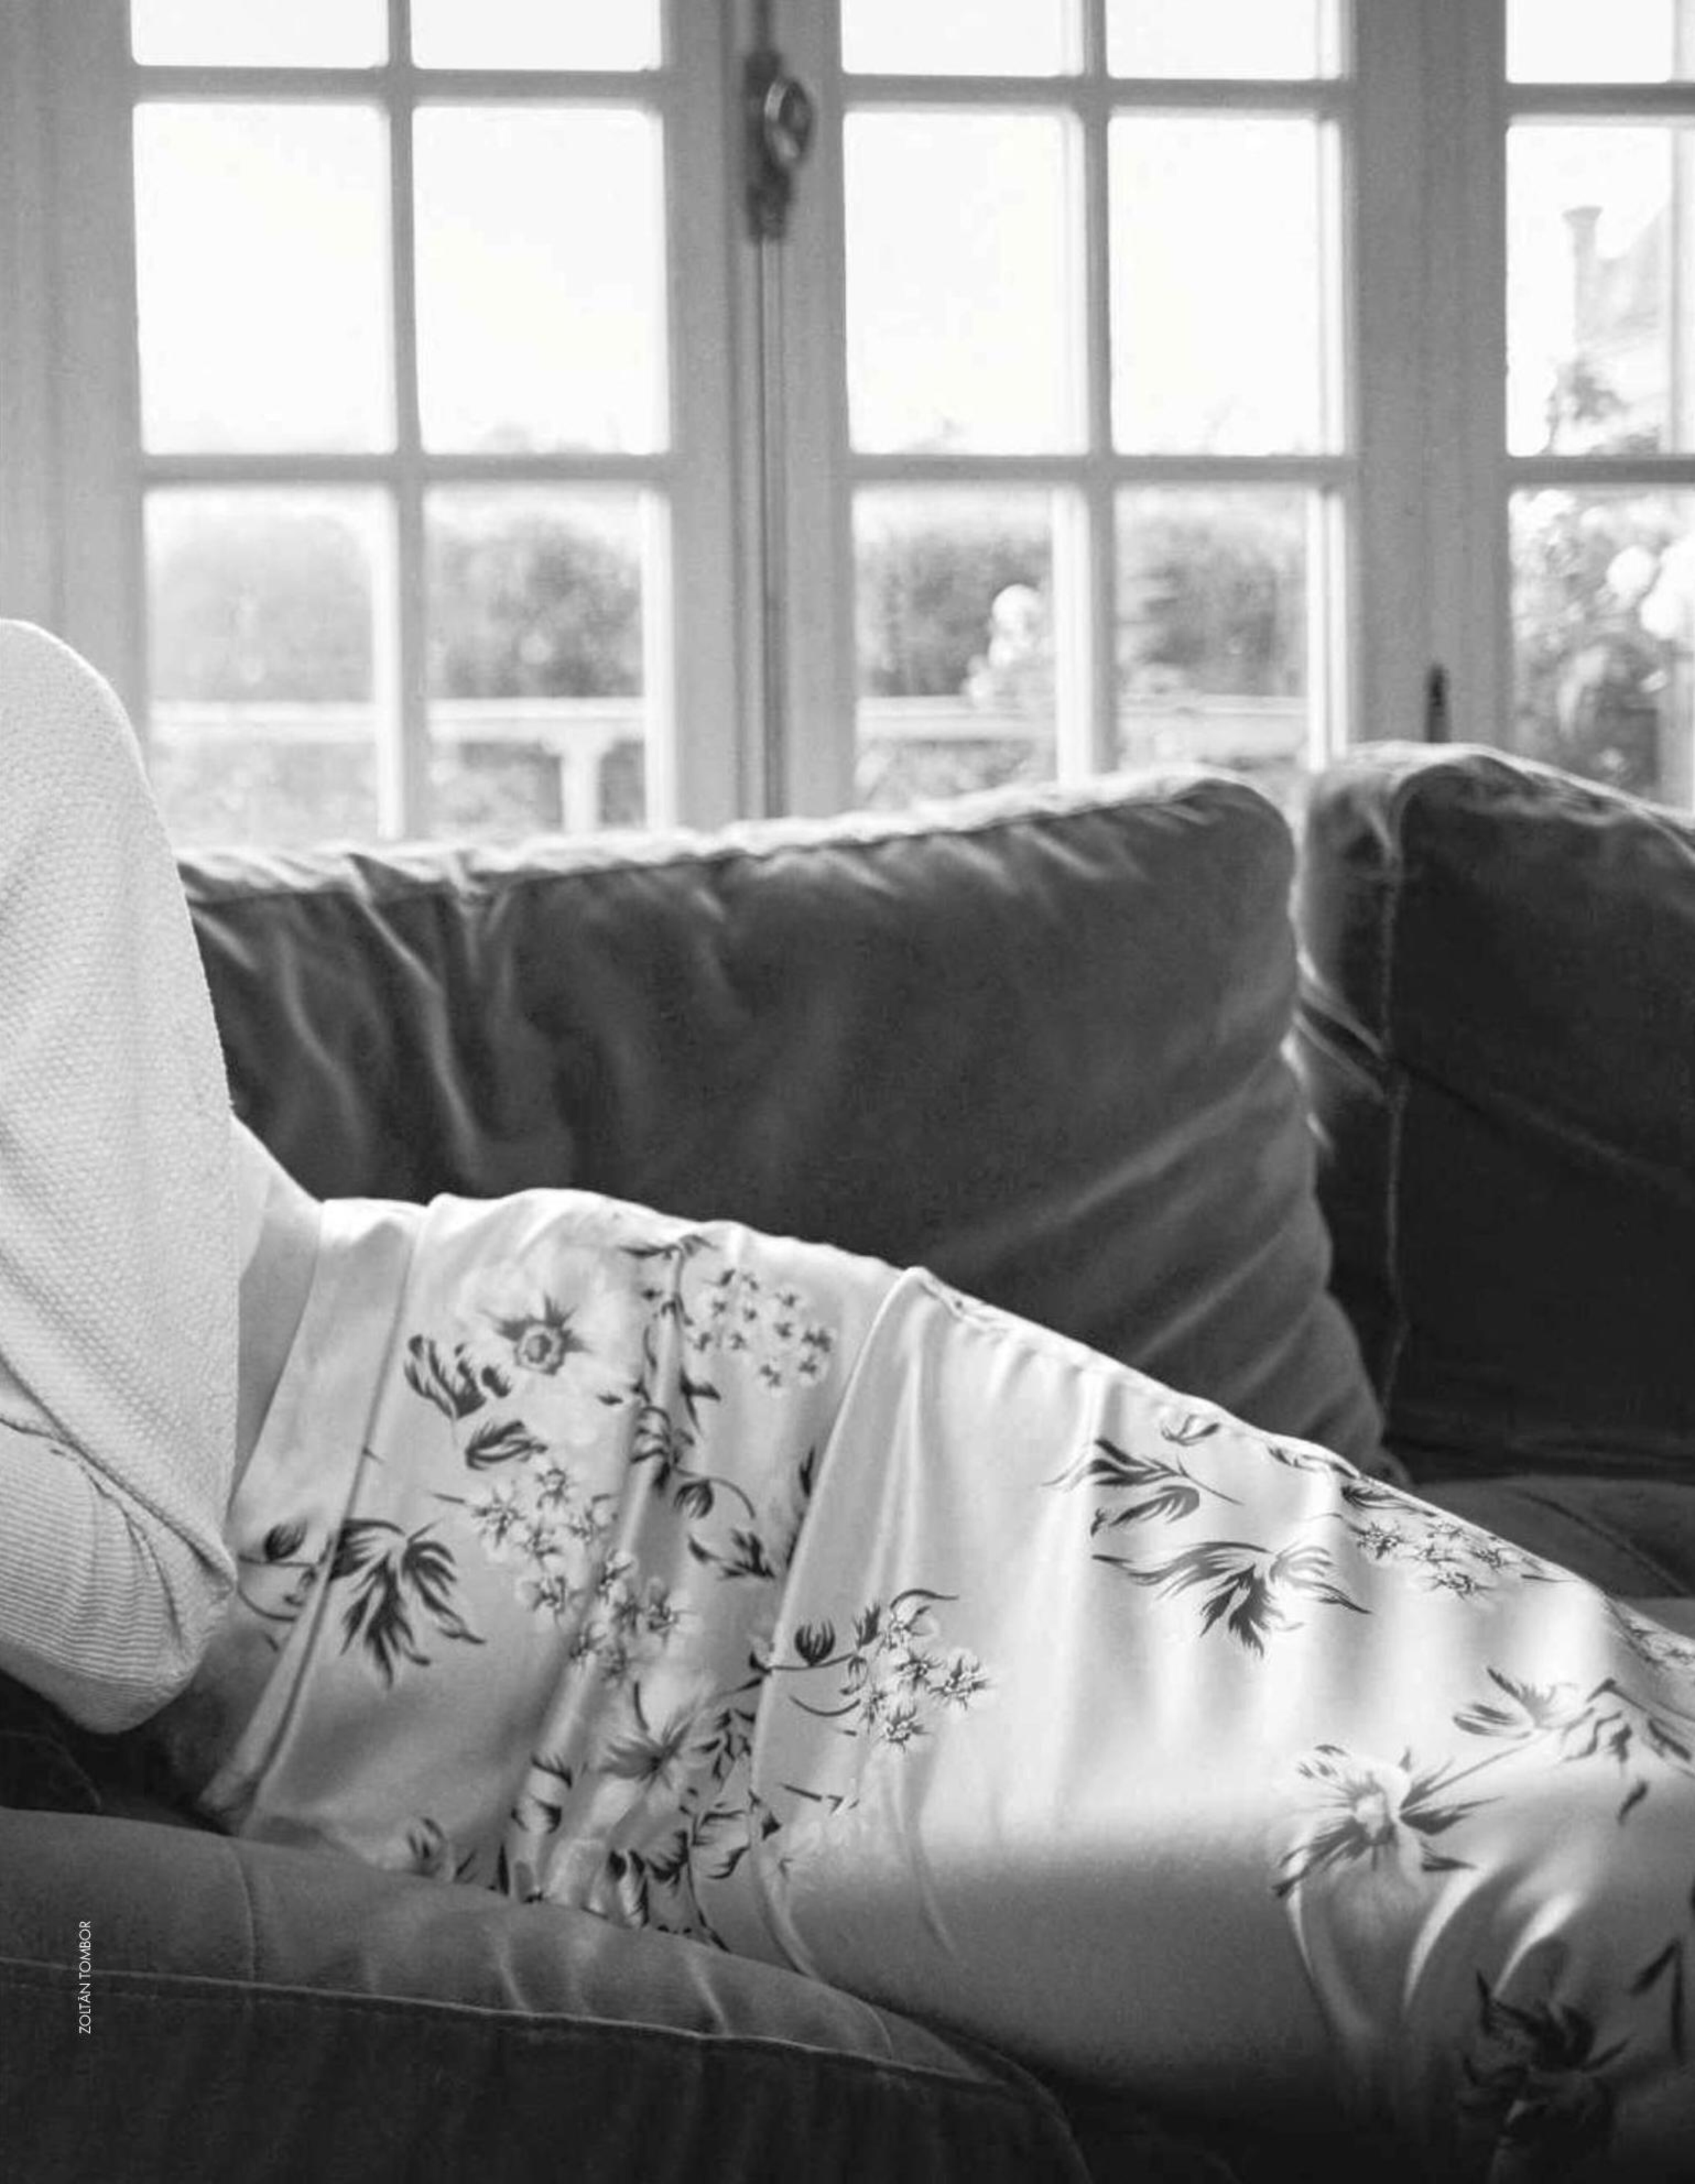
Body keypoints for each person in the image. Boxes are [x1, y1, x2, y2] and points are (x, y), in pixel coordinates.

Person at [4, 618, 1693, 2177]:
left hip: (692, 1415)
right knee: (1541, 1919)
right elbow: (141, 1631)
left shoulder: (20, 724)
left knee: (1609, 1760)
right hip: (474, 1723)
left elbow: (140, 1578)